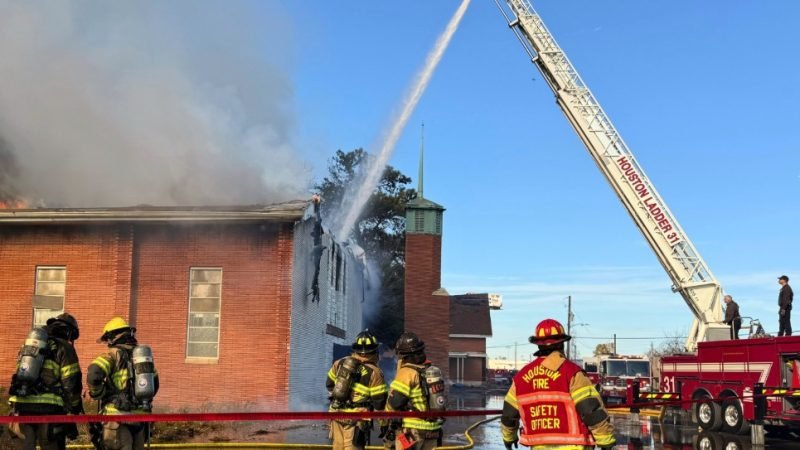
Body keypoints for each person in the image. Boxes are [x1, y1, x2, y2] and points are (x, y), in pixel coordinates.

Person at [501, 319, 616, 450]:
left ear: (538, 345)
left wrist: (509, 437)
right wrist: (605, 440)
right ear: (562, 343)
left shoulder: (521, 378)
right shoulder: (572, 373)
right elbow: (591, 410)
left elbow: (509, 414)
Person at [8, 313, 83, 450]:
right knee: (51, 445)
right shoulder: (64, 347)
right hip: (50, 409)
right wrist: (74, 407)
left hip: (21, 405)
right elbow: (71, 382)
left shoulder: (29, 345)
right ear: (68, 331)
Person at [87, 317, 159, 450]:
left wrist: (98, 393)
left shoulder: (111, 354)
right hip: (141, 419)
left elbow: (93, 374)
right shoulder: (143, 357)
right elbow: (155, 385)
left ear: (112, 337)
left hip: (117, 417)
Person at [326, 330, 388, 450]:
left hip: (336, 413)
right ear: (374, 351)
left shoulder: (340, 363)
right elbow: (379, 403)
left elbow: (329, 384)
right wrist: (384, 424)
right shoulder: (375, 372)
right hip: (357, 419)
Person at [385, 332, 444, 450]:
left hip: (413, 432)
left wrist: (385, 419)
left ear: (404, 355)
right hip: (433, 431)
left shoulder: (407, 372)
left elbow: (395, 403)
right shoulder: (431, 371)